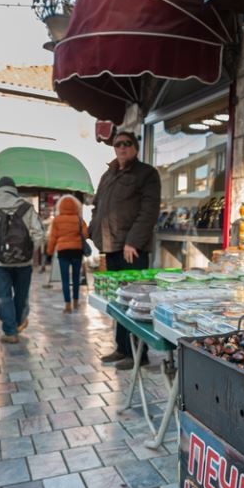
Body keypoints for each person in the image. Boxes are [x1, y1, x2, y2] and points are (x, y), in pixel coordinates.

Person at [88, 131, 161, 370]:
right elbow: (97, 206)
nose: (122, 147)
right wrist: (92, 230)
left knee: (136, 302)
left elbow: (149, 211)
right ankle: (122, 348)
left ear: (135, 148)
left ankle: (139, 354)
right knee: (119, 300)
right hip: (111, 247)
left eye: (127, 143)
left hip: (132, 249)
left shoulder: (146, 174)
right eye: (118, 144)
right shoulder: (108, 174)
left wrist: (133, 242)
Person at [0, 176, 45, 344]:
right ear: (14, 189)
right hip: (24, 261)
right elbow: (40, 232)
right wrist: (29, 250)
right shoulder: (26, 207)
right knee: (21, 295)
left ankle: (10, 332)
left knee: (3, 296)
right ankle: (18, 323)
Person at [46, 195, 89, 313]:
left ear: (60, 206)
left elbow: (53, 238)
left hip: (63, 252)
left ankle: (67, 305)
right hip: (77, 251)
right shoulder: (79, 219)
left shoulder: (57, 220)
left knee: (65, 279)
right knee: (76, 278)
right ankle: (76, 302)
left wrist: (49, 252)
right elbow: (86, 235)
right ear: (76, 206)